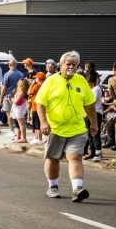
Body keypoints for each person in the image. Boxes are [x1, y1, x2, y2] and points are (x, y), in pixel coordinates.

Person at [34, 50, 98, 202]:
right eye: (68, 64)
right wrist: (43, 122)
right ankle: (53, 187)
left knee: (75, 157)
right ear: (60, 65)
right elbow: (40, 104)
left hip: (77, 128)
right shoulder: (50, 81)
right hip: (55, 128)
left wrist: (94, 123)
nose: (71, 67)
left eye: (74, 64)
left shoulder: (81, 81)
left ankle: (77, 189)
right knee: (53, 158)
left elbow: (89, 104)